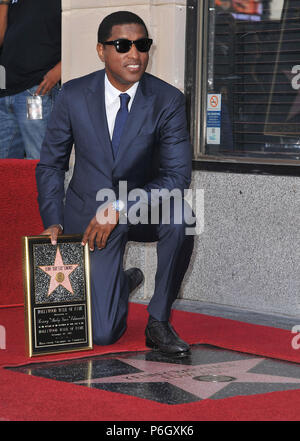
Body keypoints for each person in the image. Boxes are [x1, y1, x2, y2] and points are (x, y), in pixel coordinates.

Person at [36, 11, 194, 355]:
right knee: (104, 333)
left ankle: (159, 320)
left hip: (140, 208)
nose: (134, 54)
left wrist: (120, 207)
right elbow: (51, 163)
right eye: (122, 45)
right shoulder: (74, 95)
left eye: (142, 45)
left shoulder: (167, 100)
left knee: (185, 216)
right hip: (88, 214)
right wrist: (53, 219)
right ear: (100, 50)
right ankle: (123, 283)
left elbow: (177, 176)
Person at [0, 0, 61, 159]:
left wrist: (59, 70)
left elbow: (80, 31)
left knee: (38, 159)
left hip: (34, 92)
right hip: (5, 95)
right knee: (5, 166)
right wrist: (4, 3)